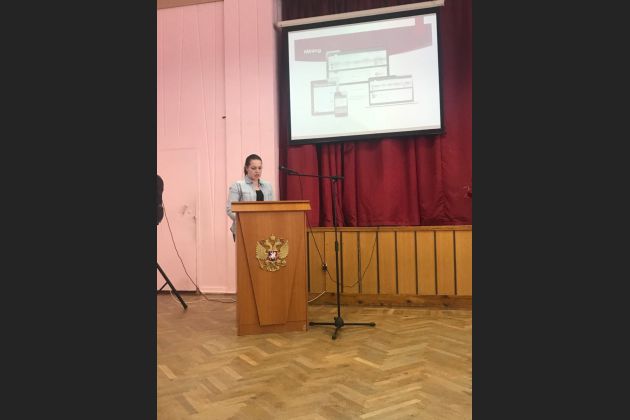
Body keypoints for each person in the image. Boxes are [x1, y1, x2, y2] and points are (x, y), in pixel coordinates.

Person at [226, 154, 274, 241]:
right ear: (246, 168)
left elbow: (273, 207)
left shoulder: (268, 186)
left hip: (264, 228)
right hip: (243, 229)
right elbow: (230, 209)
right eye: (253, 168)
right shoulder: (237, 186)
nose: (257, 171)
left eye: (260, 168)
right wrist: (246, 220)